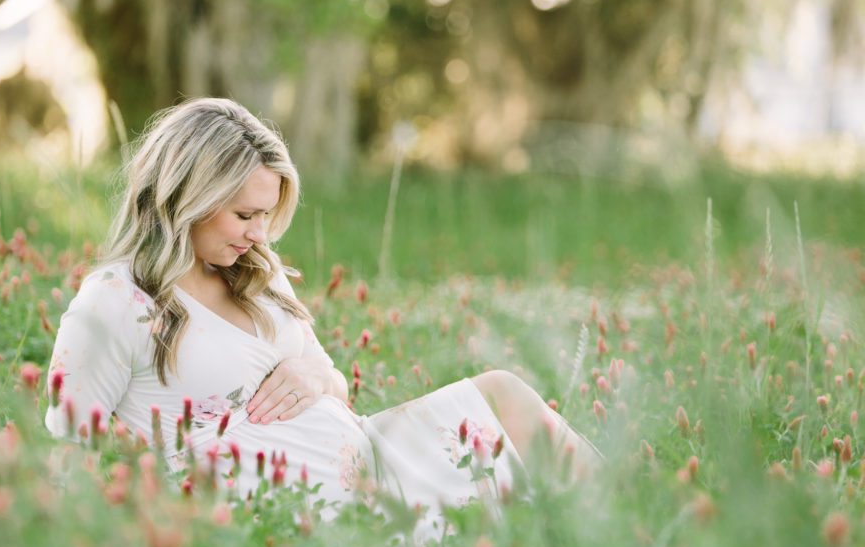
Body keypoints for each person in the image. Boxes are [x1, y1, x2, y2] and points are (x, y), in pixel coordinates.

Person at [44, 98, 600, 521]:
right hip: (281, 515)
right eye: (244, 215)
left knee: (502, 391)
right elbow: (69, 452)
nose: (260, 234)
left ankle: (632, 518)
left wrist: (314, 373)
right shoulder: (116, 302)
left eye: (267, 215)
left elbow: (335, 386)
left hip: (373, 460)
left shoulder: (259, 278)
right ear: (186, 197)